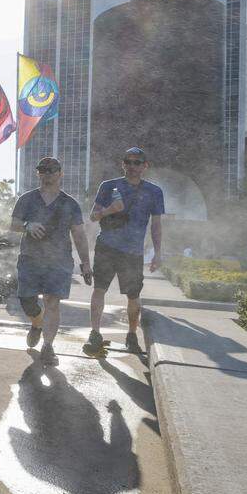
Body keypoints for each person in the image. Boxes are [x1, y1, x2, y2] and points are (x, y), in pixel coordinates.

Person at [10, 157, 91, 367]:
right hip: (30, 259)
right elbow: (14, 224)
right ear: (38, 173)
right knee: (27, 302)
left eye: (51, 170)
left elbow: (79, 235)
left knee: (52, 303)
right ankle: (36, 323)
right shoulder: (27, 199)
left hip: (59, 261)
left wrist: (86, 264)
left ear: (60, 173)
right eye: (43, 170)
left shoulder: (70, 204)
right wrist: (27, 225)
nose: (47, 173)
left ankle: (48, 347)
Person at [86, 147, 165, 356]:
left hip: (133, 252)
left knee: (133, 295)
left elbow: (156, 225)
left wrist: (158, 252)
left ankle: (131, 335)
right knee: (99, 289)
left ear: (145, 166)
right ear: (123, 164)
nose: (132, 166)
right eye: (128, 162)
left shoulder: (154, 191)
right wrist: (110, 210)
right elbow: (93, 216)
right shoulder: (109, 186)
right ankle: (94, 333)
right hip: (107, 247)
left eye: (137, 162)